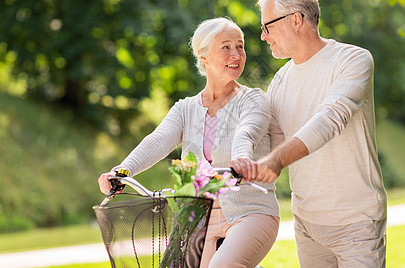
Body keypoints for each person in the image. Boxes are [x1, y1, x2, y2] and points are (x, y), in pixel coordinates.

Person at [98, 17, 279, 268]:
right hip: (197, 216)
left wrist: (241, 158)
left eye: (240, 46)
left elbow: (247, 132)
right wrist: (122, 170)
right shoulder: (185, 109)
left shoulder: (253, 100)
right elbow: (158, 140)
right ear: (203, 56)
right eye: (226, 47)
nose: (236, 53)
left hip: (249, 210)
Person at [232, 0, 387, 267]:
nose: (264, 37)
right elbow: (270, 143)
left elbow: (330, 118)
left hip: (356, 220)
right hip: (307, 224)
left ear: (295, 20)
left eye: (268, 27)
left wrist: (275, 160)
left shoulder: (352, 60)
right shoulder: (280, 81)